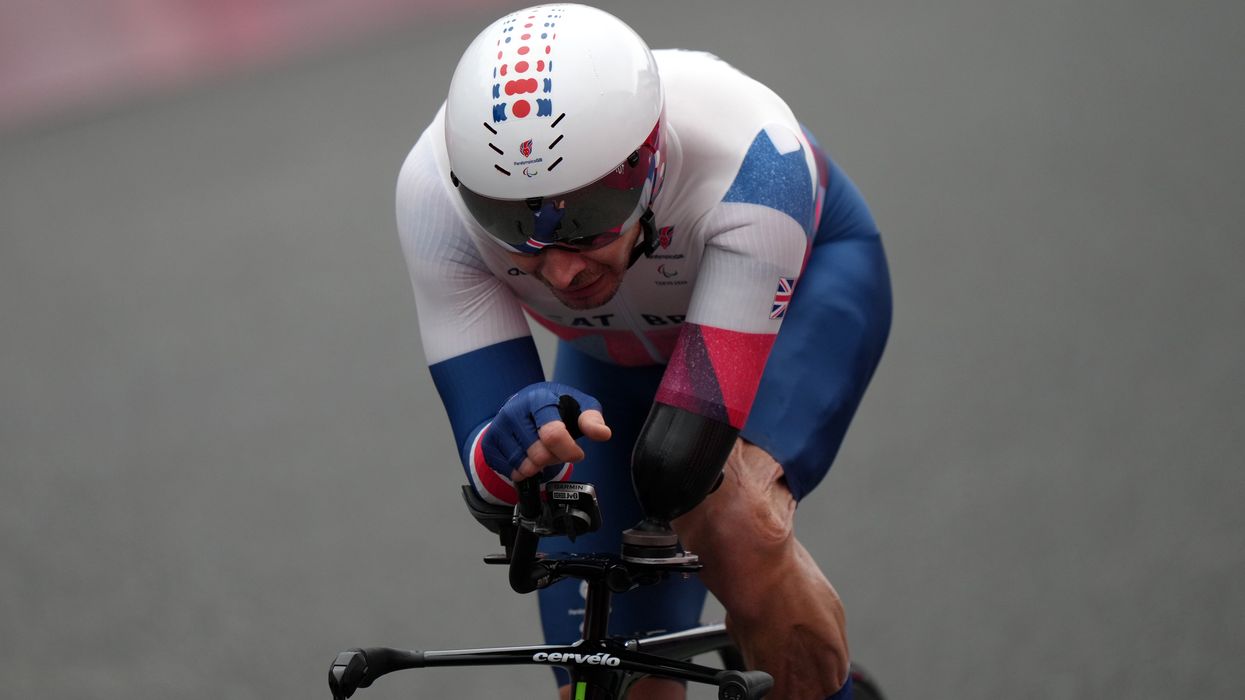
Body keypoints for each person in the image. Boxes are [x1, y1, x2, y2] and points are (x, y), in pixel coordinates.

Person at [395, 5, 891, 699]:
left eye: (587, 217)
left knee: (733, 522)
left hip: (804, 302)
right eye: (514, 225)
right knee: (604, 674)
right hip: (613, 357)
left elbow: (683, 460)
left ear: (649, 160)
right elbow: (493, 484)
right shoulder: (432, 194)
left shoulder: (752, 157)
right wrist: (515, 442)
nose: (563, 273)